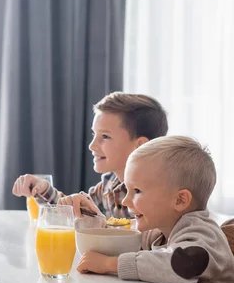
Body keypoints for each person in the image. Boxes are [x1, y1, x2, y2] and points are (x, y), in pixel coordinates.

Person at [76, 136, 234, 283]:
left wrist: (110, 264)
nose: (125, 201)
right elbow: (120, 239)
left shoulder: (203, 234)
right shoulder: (159, 230)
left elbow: (179, 264)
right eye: (127, 190)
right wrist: (91, 220)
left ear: (180, 200)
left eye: (137, 191)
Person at [12, 92, 168, 221]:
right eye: (94, 134)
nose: (92, 145)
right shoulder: (109, 184)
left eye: (105, 136)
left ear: (139, 145)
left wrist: (103, 228)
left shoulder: (158, 194)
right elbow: (75, 211)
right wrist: (43, 188)